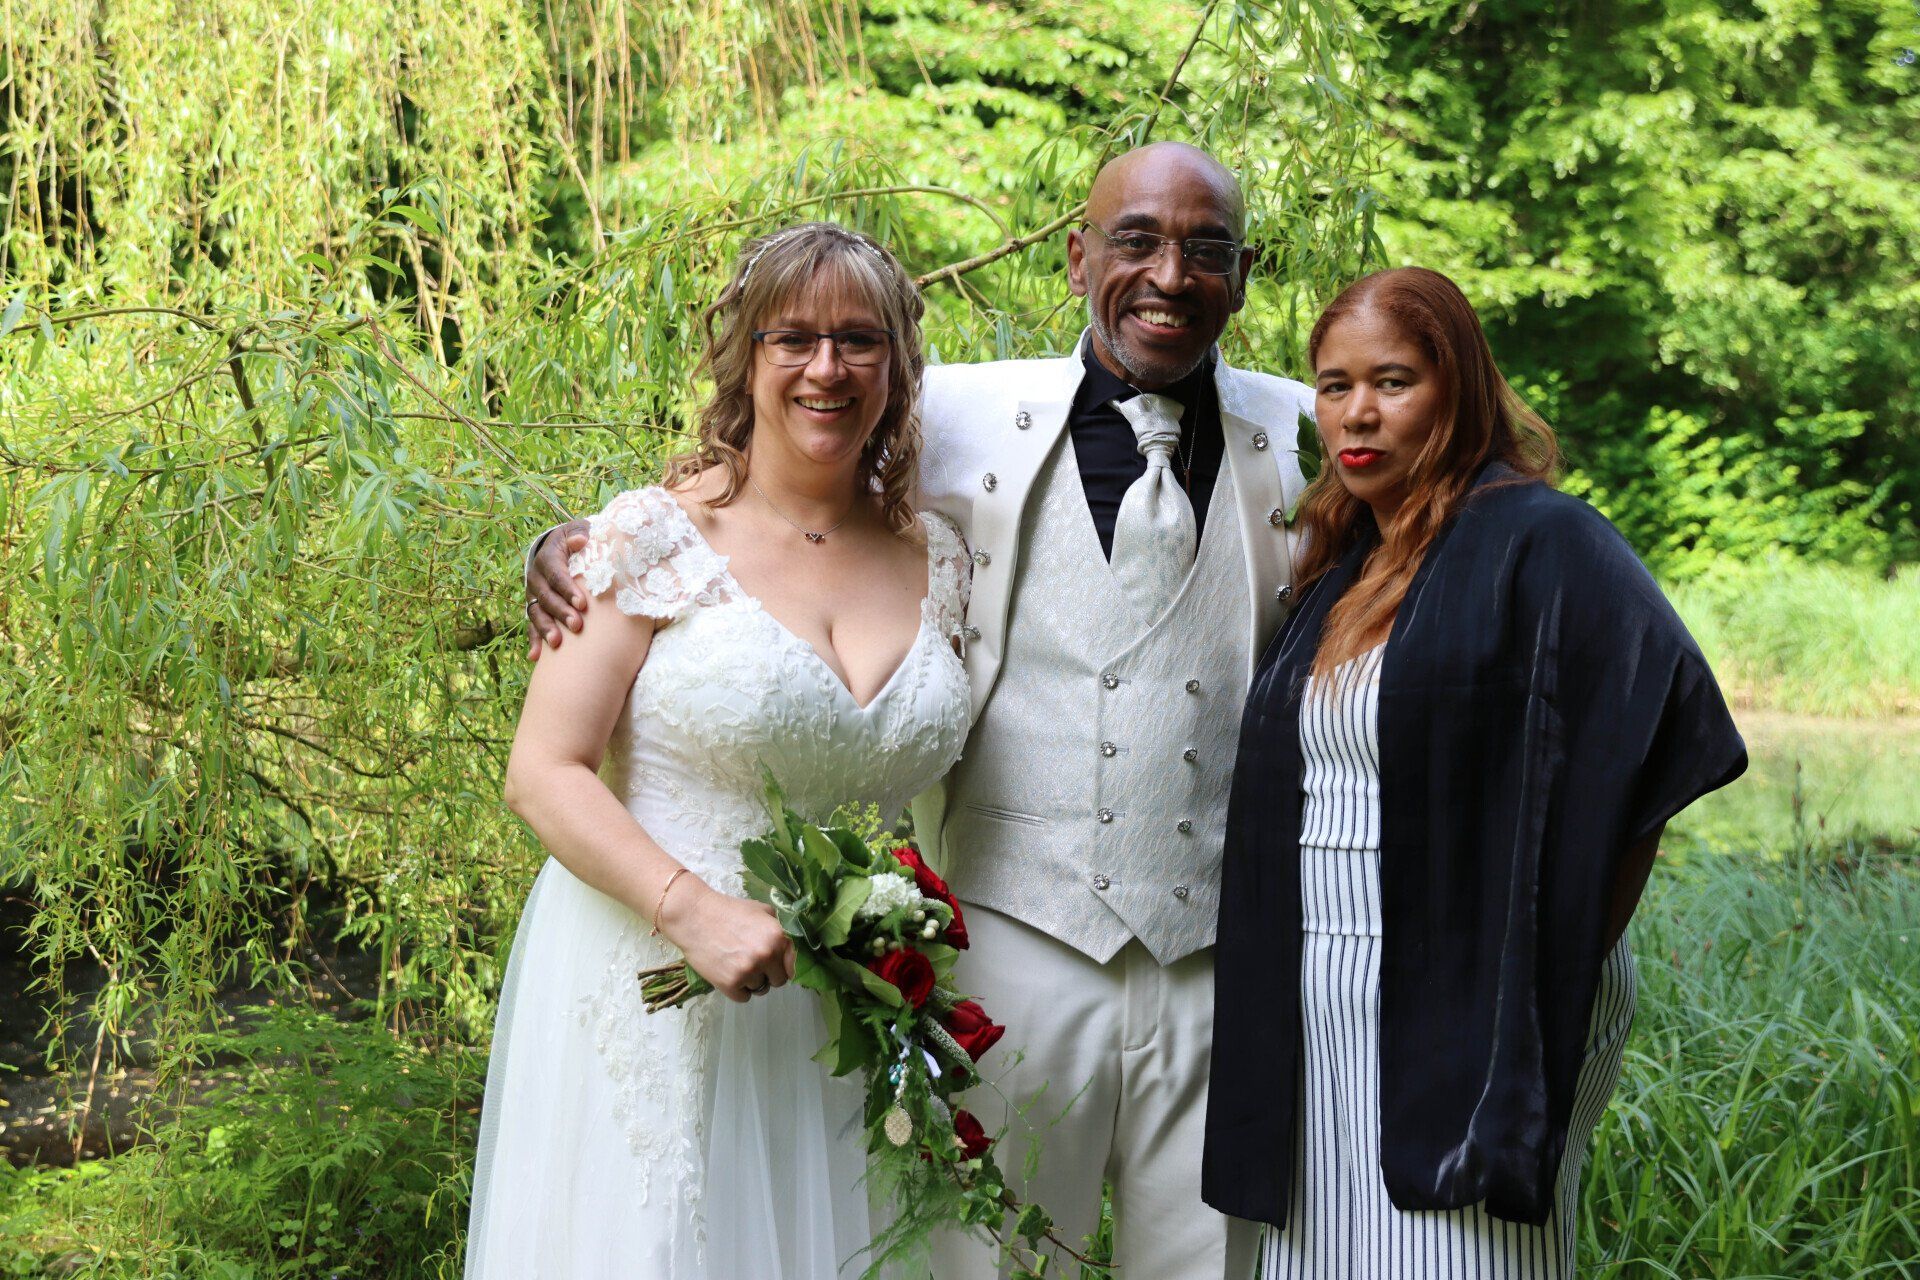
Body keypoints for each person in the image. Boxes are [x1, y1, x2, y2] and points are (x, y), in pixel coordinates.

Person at [525, 142, 1308, 1279]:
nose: (1169, 275)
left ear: (1242, 275)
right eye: (1136, 239)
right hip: (1000, 950)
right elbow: (739, 489)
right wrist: (570, 547)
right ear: (1079, 257)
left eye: (1207, 249)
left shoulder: (1309, 433)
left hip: (1211, 962)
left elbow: (1450, 478)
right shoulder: (967, 420)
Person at [1202, 266, 1748, 1278]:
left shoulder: (1542, 539)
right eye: (1335, 385)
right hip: (1316, 999)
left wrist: (1546, 964)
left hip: (1474, 1006)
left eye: (1394, 381)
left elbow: (1662, 732)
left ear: (1457, 388)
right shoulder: (1343, 563)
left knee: (1467, 1256)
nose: (1358, 413)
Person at [468, 221, 975, 1279]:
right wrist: (692, 909)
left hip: (845, 1016)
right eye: (794, 338)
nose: (827, 368)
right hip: (658, 980)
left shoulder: (945, 554)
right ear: (746, 358)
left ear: (899, 365)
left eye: (860, 340)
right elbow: (543, 771)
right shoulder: (650, 537)